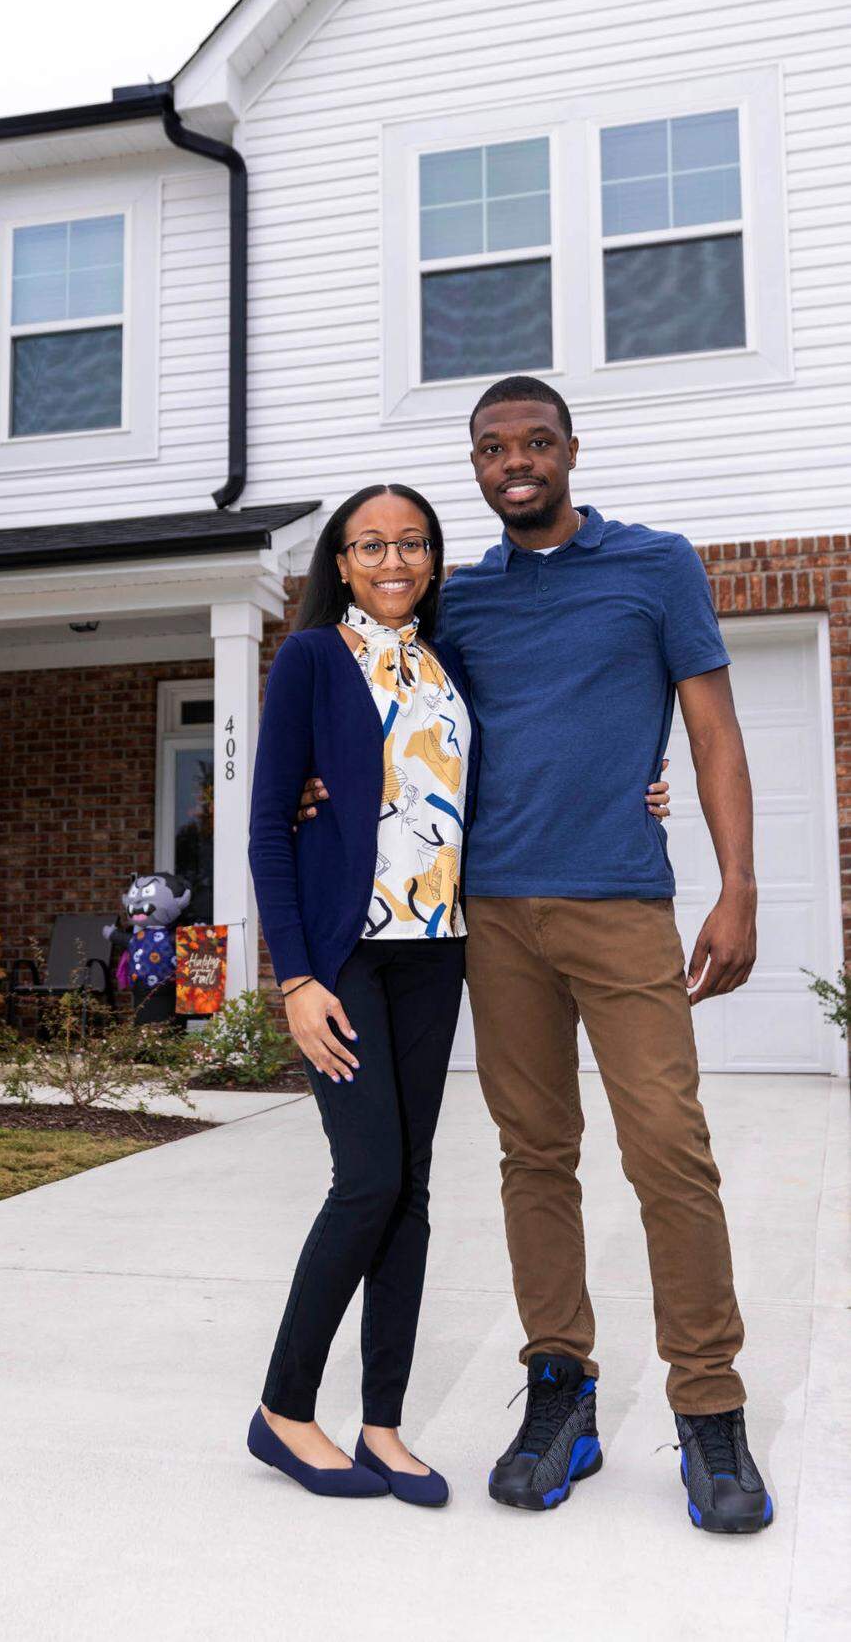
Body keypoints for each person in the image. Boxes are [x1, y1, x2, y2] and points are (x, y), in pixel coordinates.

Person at [297, 376, 772, 1535]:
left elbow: (710, 730)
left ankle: (709, 1409)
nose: (517, 460)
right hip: (491, 917)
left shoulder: (656, 566)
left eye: (536, 441)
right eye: (493, 447)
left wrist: (738, 888)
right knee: (533, 1154)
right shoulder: (458, 599)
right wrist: (321, 783)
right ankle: (562, 1387)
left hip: (620, 904)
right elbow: (388, 715)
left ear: (569, 449)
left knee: (668, 1149)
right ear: (476, 466)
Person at [247, 480, 671, 1508]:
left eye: (411, 544)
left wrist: (635, 783)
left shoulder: (447, 665)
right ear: (339, 563)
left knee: (414, 1189)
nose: (392, 562)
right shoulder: (310, 659)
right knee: (367, 1178)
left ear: (433, 560)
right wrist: (295, 976)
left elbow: (526, 755)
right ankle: (282, 1410)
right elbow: (268, 825)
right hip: (347, 956)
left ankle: (382, 1425)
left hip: (438, 950)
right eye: (368, 546)